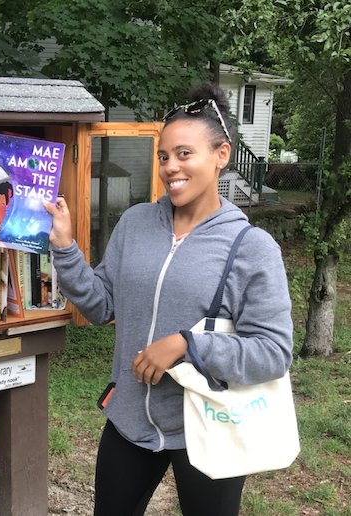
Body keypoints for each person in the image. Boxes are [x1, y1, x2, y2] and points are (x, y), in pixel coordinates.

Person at [43, 81, 294, 516]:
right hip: (129, 420)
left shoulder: (251, 247)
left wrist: (186, 344)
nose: (170, 167)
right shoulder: (136, 223)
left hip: (209, 422)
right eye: (163, 156)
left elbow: (273, 352)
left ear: (221, 155)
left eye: (184, 154)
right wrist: (65, 248)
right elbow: (102, 305)